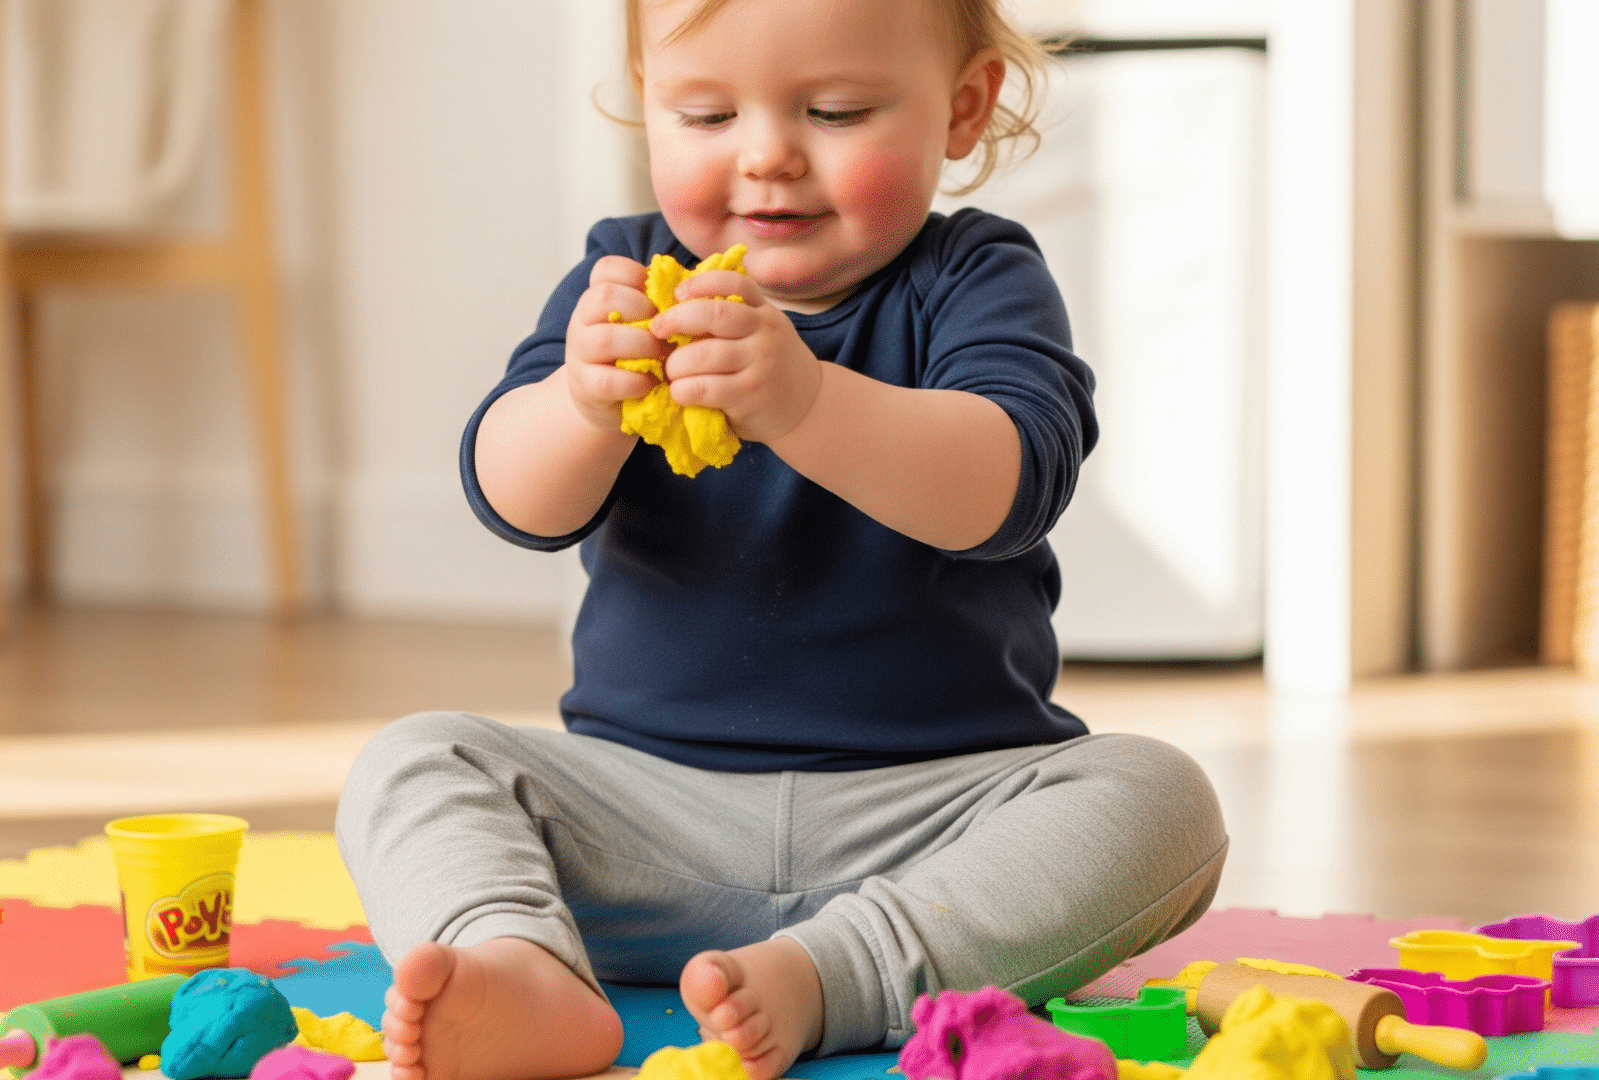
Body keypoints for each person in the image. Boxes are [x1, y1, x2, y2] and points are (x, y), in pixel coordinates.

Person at [336, 1, 1229, 1079]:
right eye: (705, 114)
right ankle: (521, 967)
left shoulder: (976, 278)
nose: (766, 156)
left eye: (835, 110)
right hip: (647, 824)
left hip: (931, 822)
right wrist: (578, 406)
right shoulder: (620, 276)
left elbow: (1004, 486)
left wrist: (805, 403)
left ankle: (835, 974)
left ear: (962, 107)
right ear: (646, 100)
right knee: (414, 760)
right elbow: (515, 499)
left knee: (1159, 798)